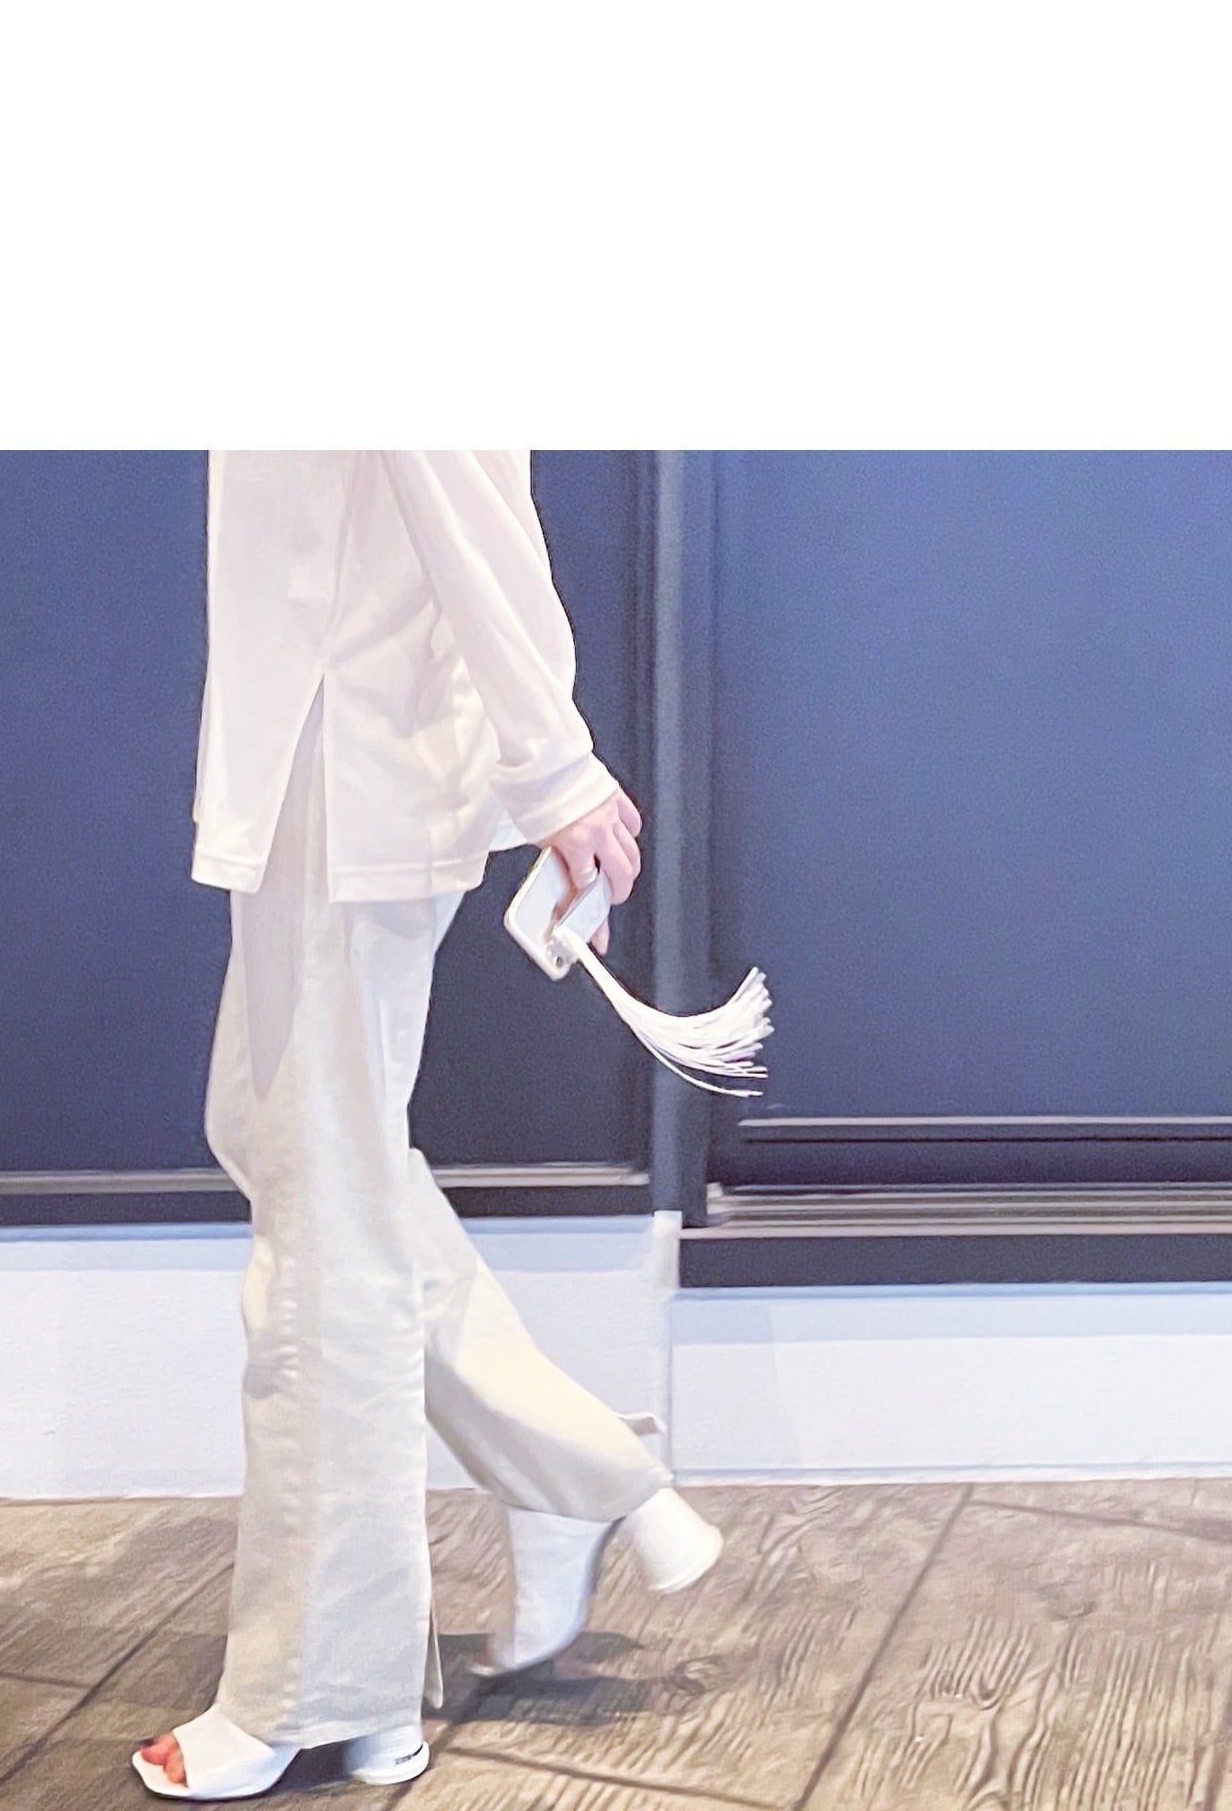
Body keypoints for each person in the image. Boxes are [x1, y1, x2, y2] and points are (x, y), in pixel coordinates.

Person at [134, 451, 722, 1801]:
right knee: (284, 1146)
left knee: (325, 1232)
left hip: (348, 761)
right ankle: (568, 1469)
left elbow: (464, 490)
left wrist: (556, 767)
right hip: (321, 755)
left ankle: (324, 1688)